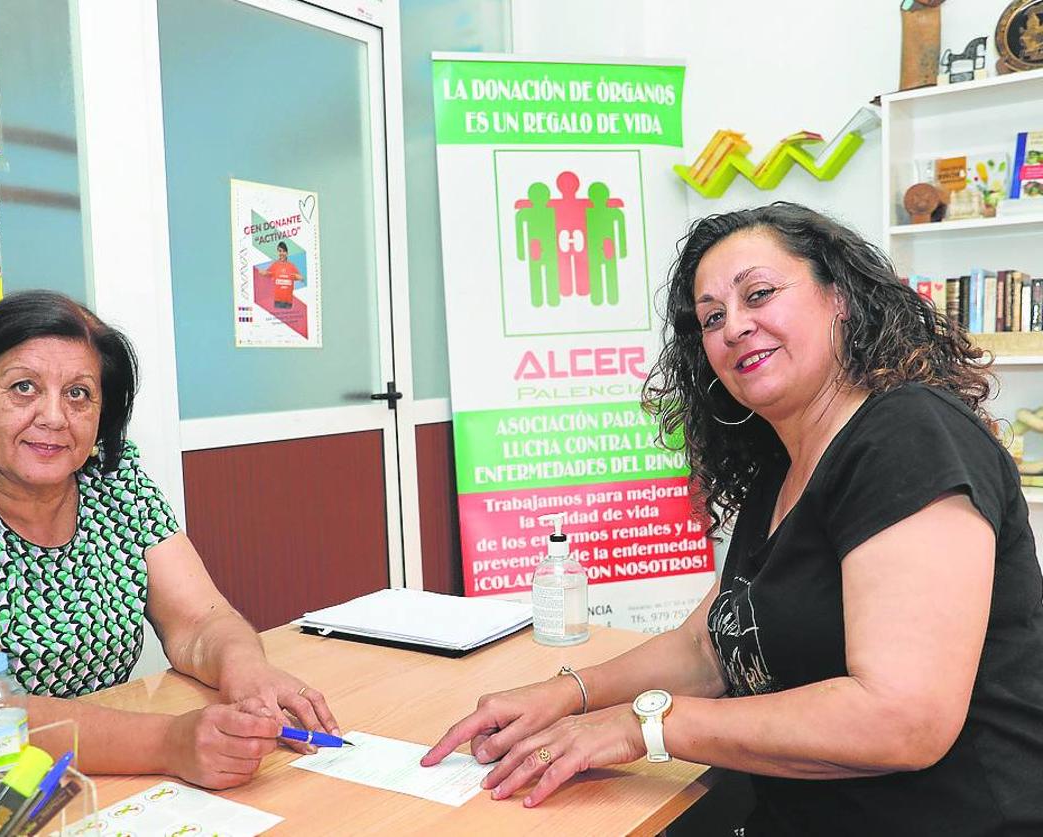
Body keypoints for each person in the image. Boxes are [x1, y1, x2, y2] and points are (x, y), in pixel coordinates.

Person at [422, 203, 1043, 834]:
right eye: (712, 317)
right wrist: (563, 694)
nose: (735, 327)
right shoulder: (785, 464)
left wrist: (646, 725)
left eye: (760, 294)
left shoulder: (909, 434)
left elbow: (903, 720)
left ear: (841, 299)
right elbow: (710, 648)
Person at [0, 291, 340, 790]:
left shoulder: (113, 479)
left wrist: (247, 671)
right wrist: (170, 743)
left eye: (78, 394)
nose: (54, 417)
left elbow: (200, 621)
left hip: (98, 771)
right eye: (24, 388)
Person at [262, 241, 302, 309]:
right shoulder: (275, 265)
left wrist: (299, 278)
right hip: (277, 301)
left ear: (287, 253)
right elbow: (266, 273)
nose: (282, 253)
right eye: (280, 251)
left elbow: (301, 278)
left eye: (284, 251)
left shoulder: (291, 266)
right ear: (278, 252)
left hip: (288, 301)